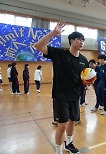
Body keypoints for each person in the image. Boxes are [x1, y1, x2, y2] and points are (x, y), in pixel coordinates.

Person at [34, 21, 89, 154]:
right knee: (62, 124)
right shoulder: (60, 54)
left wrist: (87, 83)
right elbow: (38, 45)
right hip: (61, 95)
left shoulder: (84, 60)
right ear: (71, 41)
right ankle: (58, 150)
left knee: (72, 121)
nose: (81, 42)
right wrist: (54, 33)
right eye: (79, 39)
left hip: (75, 95)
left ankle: (68, 144)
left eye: (83, 40)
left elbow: (84, 78)